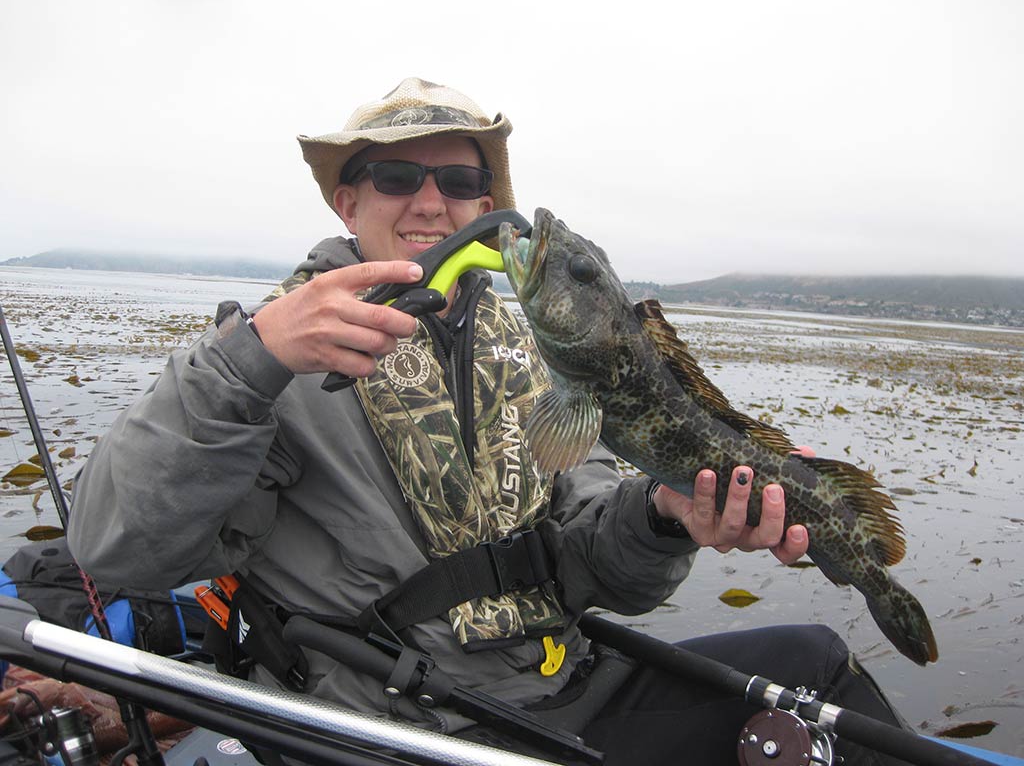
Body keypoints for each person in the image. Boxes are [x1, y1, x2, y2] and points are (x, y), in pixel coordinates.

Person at [67, 78, 909, 765]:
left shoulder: (535, 352)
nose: (432, 202)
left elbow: (599, 571)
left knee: (817, 667)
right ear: (344, 199)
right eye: (399, 178)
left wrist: (662, 518)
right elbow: (119, 550)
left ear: (485, 207)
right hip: (405, 730)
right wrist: (248, 359)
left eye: (462, 182)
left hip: (567, 690)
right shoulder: (266, 362)